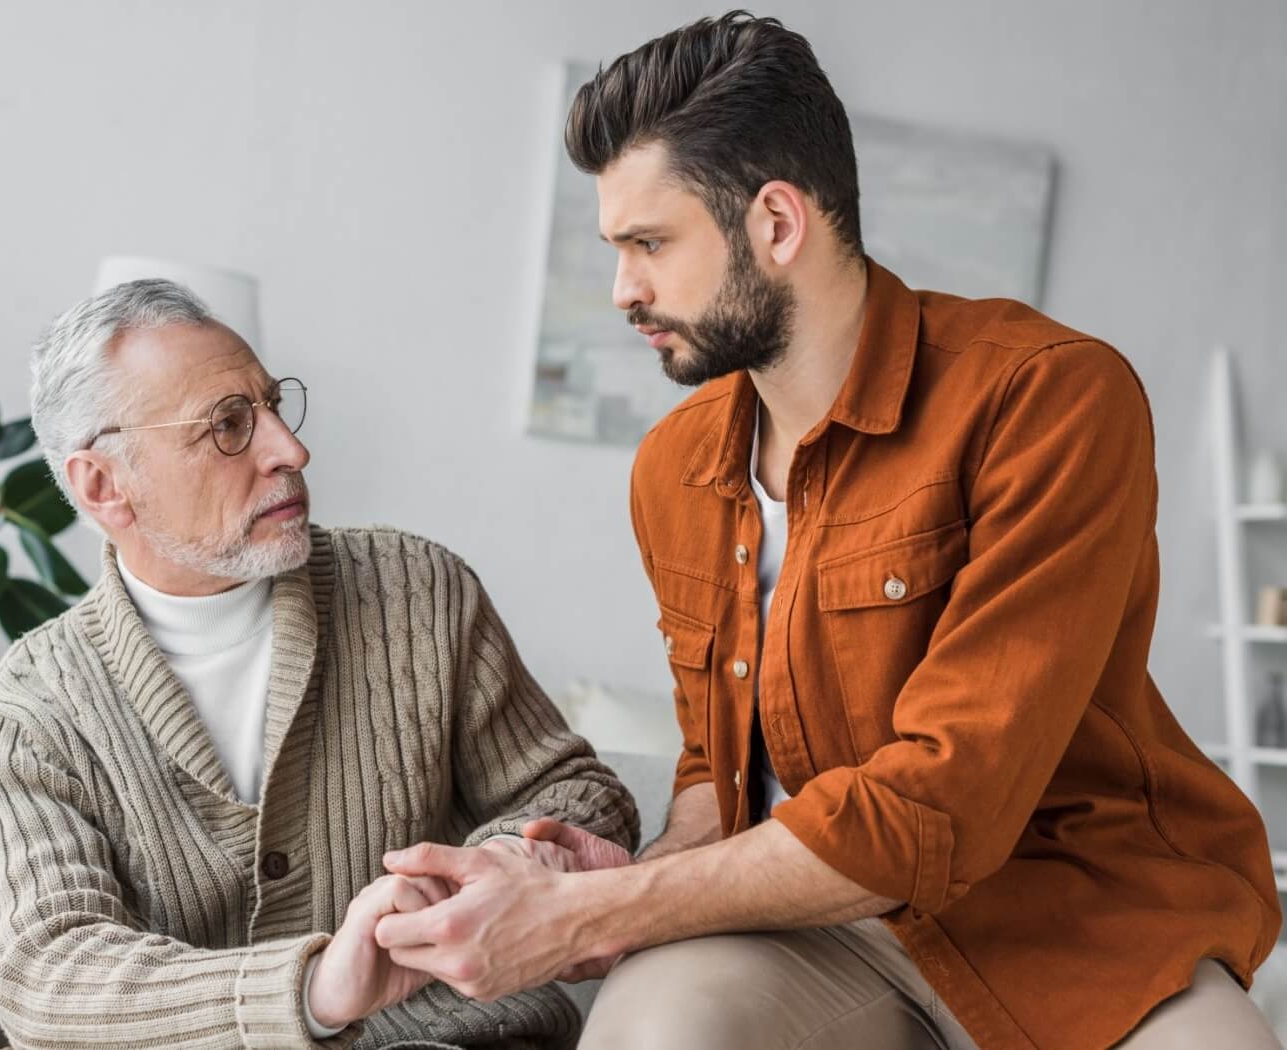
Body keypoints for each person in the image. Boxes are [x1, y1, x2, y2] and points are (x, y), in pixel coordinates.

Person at [376, 13, 1281, 1049]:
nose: (623, 289)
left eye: (650, 244)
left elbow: (944, 804)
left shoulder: (1051, 398)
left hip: (1078, 922)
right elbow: (723, 777)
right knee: (652, 1034)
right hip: (813, 930)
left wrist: (581, 917)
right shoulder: (672, 469)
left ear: (775, 223)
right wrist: (643, 876)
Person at [0, 278, 638, 1050]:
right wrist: (314, 987)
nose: (290, 449)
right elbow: (49, 975)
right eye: (229, 426)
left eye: (273, 407)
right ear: (104, 485)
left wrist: (494, 867)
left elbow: (584, 797)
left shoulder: (420, 591)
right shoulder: (28, 717)